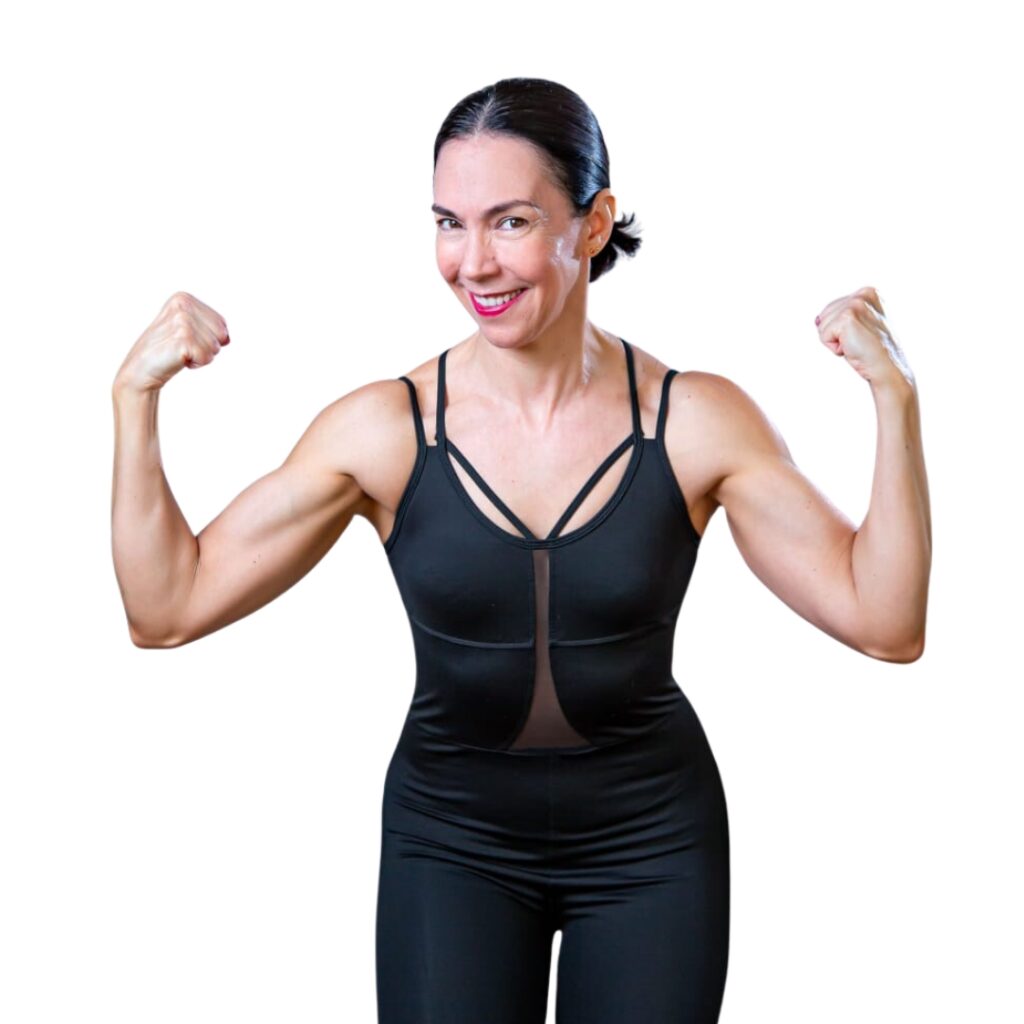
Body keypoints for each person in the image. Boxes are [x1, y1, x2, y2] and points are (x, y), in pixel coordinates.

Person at [111, 77, 931, 1024]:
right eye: (448, 224)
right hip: (449, 842)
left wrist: (894, 397)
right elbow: (167, 609)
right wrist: (134, 400)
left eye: (510, 222)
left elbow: (885, 623)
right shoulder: (386, 430)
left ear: (594, 224)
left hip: (652, 844)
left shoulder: (694, 421)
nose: (473, 264)